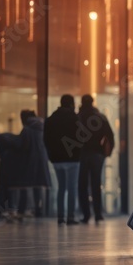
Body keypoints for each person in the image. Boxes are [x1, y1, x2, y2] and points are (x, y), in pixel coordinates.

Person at [77, 94, 114, 224]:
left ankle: (86, 214)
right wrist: (107, 153)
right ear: (93, 103)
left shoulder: (78, 117)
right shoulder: (100, 117)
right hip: (97, 154)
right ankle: (98, 213)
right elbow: (110, 135)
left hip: (82, 154)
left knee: (82, 185)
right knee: (96, 184)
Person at [44, 95, 81, 225]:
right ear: (71, 104)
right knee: (72, 188)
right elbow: (82, 137)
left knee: (61, 188)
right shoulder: (76, 118)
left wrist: (51, 155)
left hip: (57, 159)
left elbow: (46, 139)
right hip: (73, 159)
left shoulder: (51, 119)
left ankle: (60, 217)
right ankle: (70, 217)